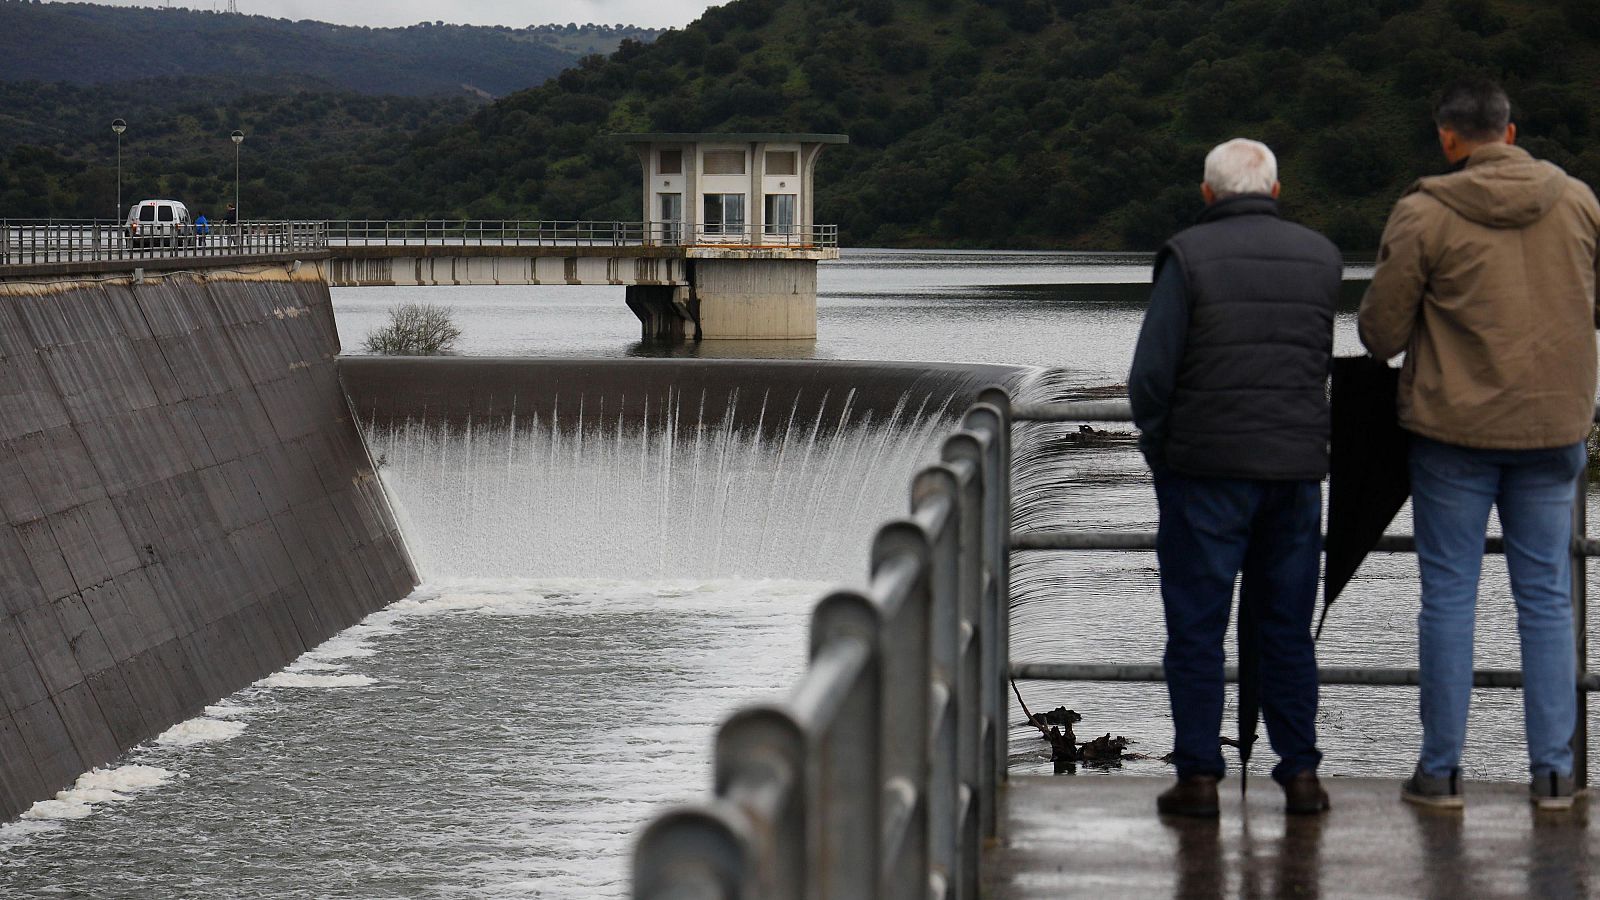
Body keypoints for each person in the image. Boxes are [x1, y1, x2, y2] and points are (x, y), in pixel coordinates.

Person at [1359, 78, 1600, 811]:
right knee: (1548, 601)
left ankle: (1441, 774)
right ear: (1513, 133)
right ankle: (1555, 776)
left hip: (1453, 435)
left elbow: (1380, 334)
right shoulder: (1580, 203)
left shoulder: (1425, 213)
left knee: (1450, 599)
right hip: (1554, 430)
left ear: (1449, 139)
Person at [1129, 137, 1340, 817]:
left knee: (1197, 626)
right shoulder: (1323, 259)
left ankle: (1199, 778)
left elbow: (1151, 380)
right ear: (1275, 192)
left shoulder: (1187, 256)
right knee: (1286, 625)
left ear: (1207, 194)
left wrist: (1164, 453)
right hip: (1296, 475)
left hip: (1205, 472)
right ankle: (1300, 774)